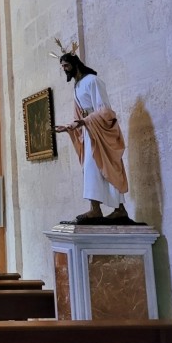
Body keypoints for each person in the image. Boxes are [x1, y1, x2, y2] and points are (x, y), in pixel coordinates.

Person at [54, 52, 130, 223]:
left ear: (74, 64)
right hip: (88, 132)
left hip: (100, 131)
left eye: (66, 65)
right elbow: (78, 115)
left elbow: (105, 111)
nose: (64, 69)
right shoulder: (77, 87)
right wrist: (70, 127)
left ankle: (119, 209)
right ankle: (95, 209)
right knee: (91, 169)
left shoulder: (93, 81)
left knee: (106, 167)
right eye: (62, 67)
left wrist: (82, 122)